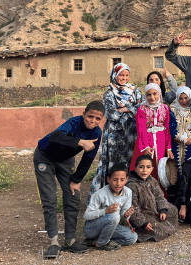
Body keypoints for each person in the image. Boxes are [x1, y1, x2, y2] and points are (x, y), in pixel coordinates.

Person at [34, 101, 104, 257]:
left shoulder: (96, 133)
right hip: (44, 156)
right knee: (49, 199)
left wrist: (76, 180)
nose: (92, 121)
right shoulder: (73, 122)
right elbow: (55, 137)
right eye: (90, 116)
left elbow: (88, 158)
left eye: (97, 118)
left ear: (101, 120)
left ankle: (70, 241)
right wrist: (79, 141)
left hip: (65, 161)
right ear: (84, 114)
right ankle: (53, 242)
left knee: (73, 197)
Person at [90, 63, 142, 199]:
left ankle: (129, 197)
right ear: (115, 75)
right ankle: (110, 197)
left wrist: (123, 109)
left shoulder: (135, 90)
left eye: (126, 75)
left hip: (131, 132)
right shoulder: (109, 93)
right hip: (114, 134)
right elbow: (111, 114)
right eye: (121, 75)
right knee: (114, 163)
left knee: (129, 161)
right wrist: (131, 109)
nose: (124, 78)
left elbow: (141, 108)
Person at [83, 163, 138, 252]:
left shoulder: (128, 192)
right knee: (114, 215)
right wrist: (105, 211)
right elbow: (87, 215)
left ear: (127, 179)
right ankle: (101, 243)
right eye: (115, 180)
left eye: (122, 180)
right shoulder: (100, 194)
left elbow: (122, 218)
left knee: (133, 238)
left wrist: (126, 215)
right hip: (92, 229)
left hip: (110, 227)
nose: (118, 183)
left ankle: (95, 242)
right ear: (109, 179)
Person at [127, 155, 178, 242]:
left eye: (148, 167)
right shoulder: (131, 185)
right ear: (135, 168)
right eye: (141, 167)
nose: (144, 170)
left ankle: (162, 222)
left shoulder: (152, 180)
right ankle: (145, 229)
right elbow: (133, 208)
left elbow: (159, 196)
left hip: (155, 210)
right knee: (156, 227)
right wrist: (143, 223)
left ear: (152, 169)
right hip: (143, 213)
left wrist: (162, 210)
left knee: (173, 210)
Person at [130, 83, 173, 175]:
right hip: (146, 141)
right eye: (149, 95)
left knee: (160, 165)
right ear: (145, 96)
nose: (152, 97)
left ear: (159, 93)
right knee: (146, 164)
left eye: (154, 94)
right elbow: (141, 130)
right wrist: (145, 146)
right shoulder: (142, 109)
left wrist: (168, 148)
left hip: (161, 141)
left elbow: (167, 129)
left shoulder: (165, 108)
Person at [169, 86, 191, 171]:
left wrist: (190, 137)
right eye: (181, 98)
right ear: (177, 99)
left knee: (188, 168)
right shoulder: (172, 112)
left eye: (186, 98)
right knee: (175, 168)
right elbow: (171, 127)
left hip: (190, 145)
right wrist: (181, 138)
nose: (184, 101)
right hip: (176, 144)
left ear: (190, 97)